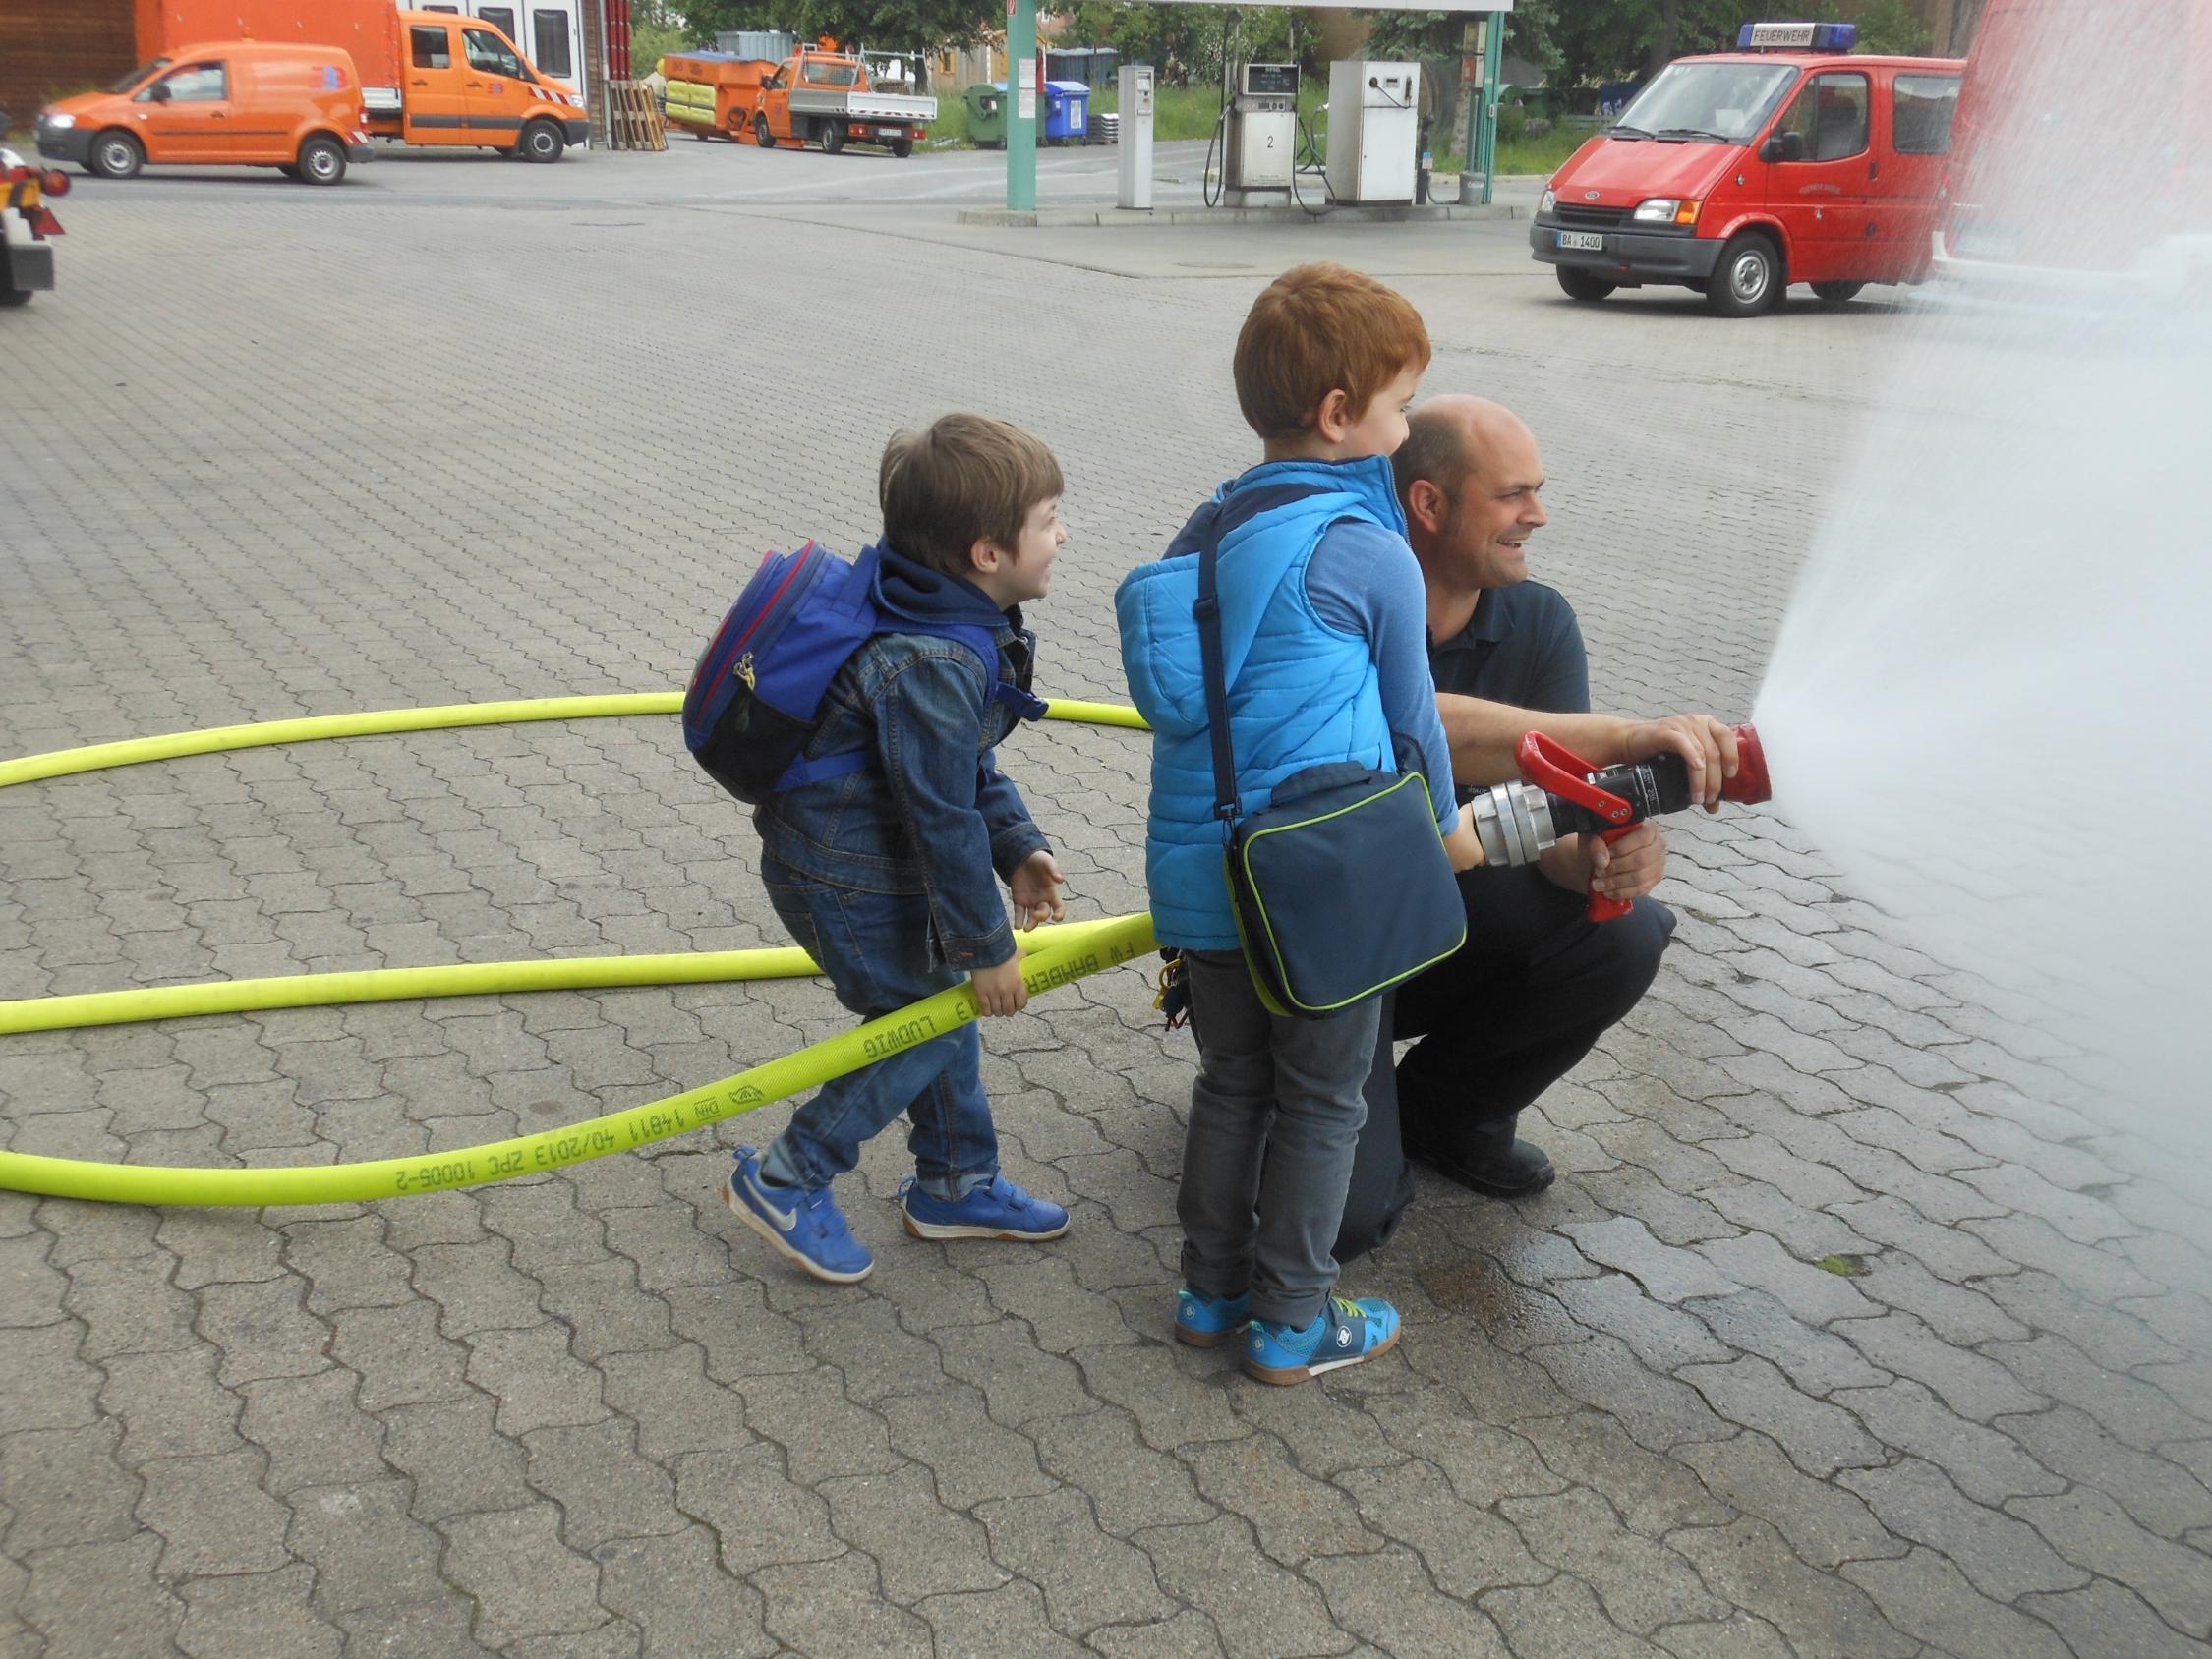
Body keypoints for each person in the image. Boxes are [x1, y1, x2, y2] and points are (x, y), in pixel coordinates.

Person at [1118, 264, 1483, 1384]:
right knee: (1324, 1093)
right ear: (1340, 416)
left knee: (1233, 1082)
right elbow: (1415, 726)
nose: (1408, 422)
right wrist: (1447, 834)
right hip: (1317, 874)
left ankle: (1209, 1290)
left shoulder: (1207, 528)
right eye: (1399, 401)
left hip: (1201, 871)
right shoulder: (1367, 551)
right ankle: (1292, 1320)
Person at [1333, 394, 1740, 1257]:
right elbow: (1438, 724)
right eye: (1514, 494)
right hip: (1329, 948)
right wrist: (1632, 737)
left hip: (1445, 926)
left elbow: (1560, 817)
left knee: (1628, 934)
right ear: (1430, 505)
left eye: (1539, 491)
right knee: (1349, 1222)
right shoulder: (1347, 606)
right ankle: (1277, 1091)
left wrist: (1599, 856)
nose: (1538, 515)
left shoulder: (1539, 621)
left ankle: (1446, 1116)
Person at [726, 413, 1075, 1285]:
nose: (1063, 534)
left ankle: (956, 1181)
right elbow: (938, 813)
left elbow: (963, 769)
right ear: (988, 552)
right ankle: (788, 1176)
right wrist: (985, 948)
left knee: (937, 1014)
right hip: (843, 875)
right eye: (1049, 519)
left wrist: (1019, 848)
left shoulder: (940, 612)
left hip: (865, 861)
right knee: (921, 1028)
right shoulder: (931, 658)